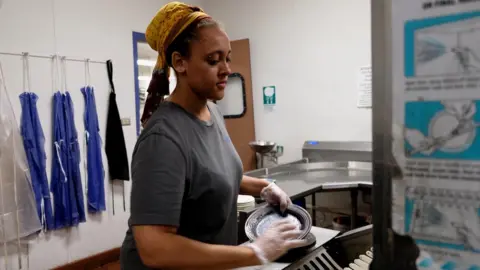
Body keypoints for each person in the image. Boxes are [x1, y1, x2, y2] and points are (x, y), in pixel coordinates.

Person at [120, 2, 306, 269]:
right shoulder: (163, 138)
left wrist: (263, 187)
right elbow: (155, 247)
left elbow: (208, 176)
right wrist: (256, 252)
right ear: (179, 63)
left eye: (227, 58)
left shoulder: (212, 112)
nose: (226, 69)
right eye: (212, 60)